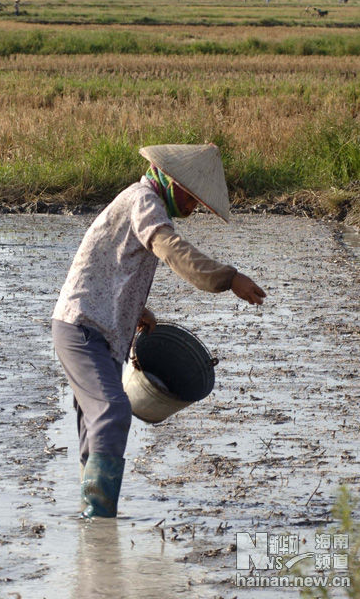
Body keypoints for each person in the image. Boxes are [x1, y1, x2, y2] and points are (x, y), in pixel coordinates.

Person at [51, 144, 266, 518]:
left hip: (94, 326)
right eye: (192, 196)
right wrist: (228, 278)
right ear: (168, 179)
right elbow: (170, 247)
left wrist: (138, 309)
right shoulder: (143, 200)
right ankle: (99, 521)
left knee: (96, 420)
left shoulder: (138, 200)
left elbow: (111, 265)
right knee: (113, 412)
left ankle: (93, 530)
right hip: (83, 327)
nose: (194, 207)